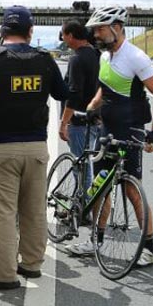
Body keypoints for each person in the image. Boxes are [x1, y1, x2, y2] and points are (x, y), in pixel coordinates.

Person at [0, 6, 67, 291]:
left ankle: (3, 275)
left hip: (0, 148)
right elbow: (62, 94)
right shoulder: (45, 60)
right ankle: (32, 264)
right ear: (30, 32)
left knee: (2, 212)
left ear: (2, 32)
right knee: (34, 209)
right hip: (37, 146)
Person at [66, 6, 153, 265]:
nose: (96, 34)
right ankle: (95, 241)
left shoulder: (136, 57)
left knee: (131, 190)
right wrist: (91, 109)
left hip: (130, 130)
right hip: (106, 130)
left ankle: (148, 249)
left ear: (117, 27)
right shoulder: (104, 57)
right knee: (101, 187)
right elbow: (105, 88)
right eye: (95, 30)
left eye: (100, 29)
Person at [58, 21, 102, 187]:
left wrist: (63, 123)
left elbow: (75, 94)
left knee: (82, 168)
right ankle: (83, 205)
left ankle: (85, 209)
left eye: (63, 34)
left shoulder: (77, 59)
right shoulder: (99, 56)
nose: (62, 38)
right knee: (90, 166)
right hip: (97, 119)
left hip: (79, 121)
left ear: (70, 35)